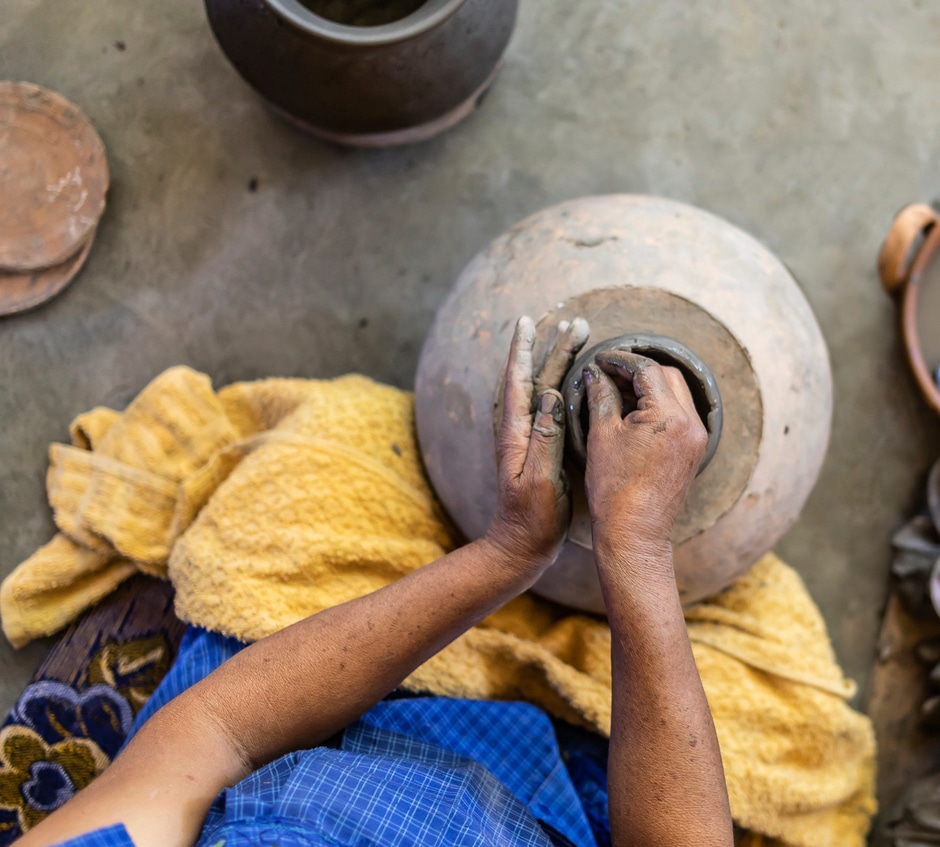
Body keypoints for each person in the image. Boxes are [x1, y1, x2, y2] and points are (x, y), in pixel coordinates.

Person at [16, 317, 733, 847]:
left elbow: (216, 733)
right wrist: (634, 545)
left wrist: (509, 553)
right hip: (550, 810)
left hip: (329, 757)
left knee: (321, 450)